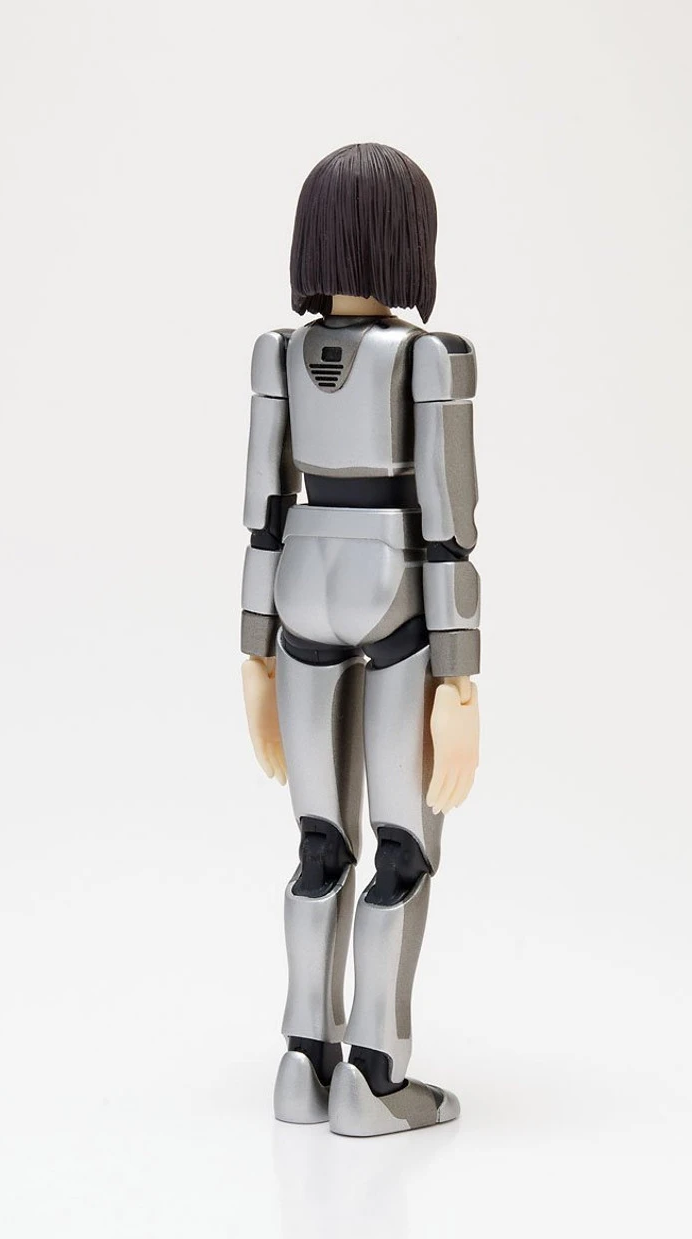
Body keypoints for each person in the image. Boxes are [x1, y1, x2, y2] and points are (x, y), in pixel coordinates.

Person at [240, 142, 480, 1137]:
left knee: (317, 841)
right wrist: (458, 676)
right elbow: (449, 518)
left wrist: (254, 647)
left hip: (298, 586)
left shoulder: (277, 354)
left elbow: (261, 508)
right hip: (397, 593)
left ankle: (303, 1062)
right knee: (401, 848)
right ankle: (372, 1078)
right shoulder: (428, 357)